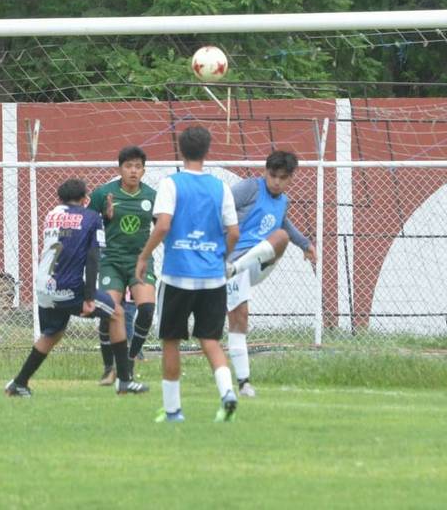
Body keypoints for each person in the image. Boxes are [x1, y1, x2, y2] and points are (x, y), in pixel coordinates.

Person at [6, 178, 148, 397]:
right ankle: (125, 381)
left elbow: (72, 235)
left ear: (60, 198)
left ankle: (19, 383)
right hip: (70, 288)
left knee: (52, 334)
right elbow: (93, 258)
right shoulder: (92, 218)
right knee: (117, 314)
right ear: (85, 199)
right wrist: (89, 297)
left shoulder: (52, 215)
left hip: (44, 287)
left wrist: (104, 219)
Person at [135, 126, 240, 423]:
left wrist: (144, 256)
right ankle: (227, 392)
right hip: (212, 277)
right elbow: (233, 231)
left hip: (177, 276)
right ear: (207, 151)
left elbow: (164, 225)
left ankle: (172, 410)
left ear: (181, 150)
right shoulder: (220, 187)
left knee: (171, 340)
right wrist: (221, 255)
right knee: (210, 340)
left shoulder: (171, 184)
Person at [225, 150, 316, 397]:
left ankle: (237, 267)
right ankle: (244, 382)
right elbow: (220, 207)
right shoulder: (250, 189)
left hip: (258, 262)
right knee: (239, 319)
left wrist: (306, 244)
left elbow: (284, 225)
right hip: (233, 260)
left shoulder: (283, 201)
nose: (276, 181)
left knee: (281, 236)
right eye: (272, 175)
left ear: (290, 179)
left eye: (282, 177)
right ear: (265, 172)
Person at [88, 146, 158, 386]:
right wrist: (103, 218)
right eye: (128, 166)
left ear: (144, 170)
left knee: (147, 309)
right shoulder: (104, 194)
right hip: (111, 260)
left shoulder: (152, 195)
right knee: (108, 312)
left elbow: (164, 226)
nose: (133, 171)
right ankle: (109, 368)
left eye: (138, 166)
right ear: (119, 169)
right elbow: (87, 223)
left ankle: (128, 360)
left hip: (140, 260)